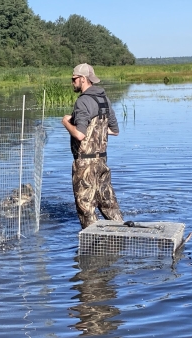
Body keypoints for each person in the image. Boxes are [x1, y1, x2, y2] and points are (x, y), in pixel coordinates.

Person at [62, 63, 123, 229]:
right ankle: (123, 234)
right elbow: (113, 131)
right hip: (101, 162)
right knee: (108, 204)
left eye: (74, 79)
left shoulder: (83, 102)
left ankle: (92, 243)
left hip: (85, 165)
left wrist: (66, 122)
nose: (72, 82)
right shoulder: (104, 99)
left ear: (83, 79)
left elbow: (79, 135)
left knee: (85, 207)